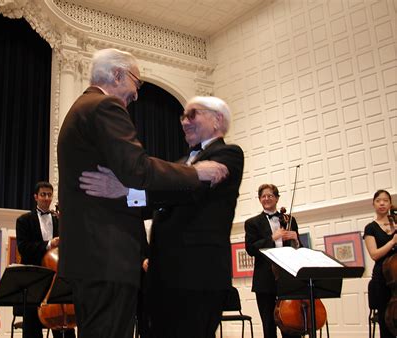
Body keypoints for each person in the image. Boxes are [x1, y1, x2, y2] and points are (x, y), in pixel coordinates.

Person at [57, 48, 228, 338]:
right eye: (137, 82)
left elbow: (127, 182)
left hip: (91, 259)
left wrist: (126, 189)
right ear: (117, 74)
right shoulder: (105, 106)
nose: (137, 94)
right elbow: (138, 169)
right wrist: (196, 172)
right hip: (108, 256)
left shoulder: (80, 109)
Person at [79, 95, 244, 337]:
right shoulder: (179, 165)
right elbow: (160, 194)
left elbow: (188, 191)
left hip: (198, 275)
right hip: (161, 276)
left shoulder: (229, 155)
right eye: (182, 116)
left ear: (218, 119)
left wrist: (128, 189)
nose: (184, 122)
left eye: (192, 114)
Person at [16, 181, 76, 338]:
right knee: (32, 325)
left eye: (49, 195)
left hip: (56, 278)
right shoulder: (24, 220)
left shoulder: (58, 220)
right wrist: (49, 244)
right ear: (35, 197)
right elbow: (23, 248)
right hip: (35, 278)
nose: (47, 198)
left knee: (63, 322)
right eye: (43, 194)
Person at [244, 184, 301, 338]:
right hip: (265, 278)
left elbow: (298, 249)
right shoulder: (252, 223)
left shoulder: (289, 219)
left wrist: (296, 239)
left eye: (270, 195)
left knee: (291, 323)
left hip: (288, 276)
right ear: (259, 199)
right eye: (263, 196)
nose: (266, 198)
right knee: (268, 324)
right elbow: (250, 249)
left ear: (277, 198)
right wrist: (272, 238)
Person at [363, 189, 397, 338]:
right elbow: (374, 254)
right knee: (386, 321)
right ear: (373, 204)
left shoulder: (395, 224)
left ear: (390, 203)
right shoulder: (370, 228)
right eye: (378, 200)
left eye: (385, 200)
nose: (382, 203)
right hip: (383, 278)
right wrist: (393, 242)